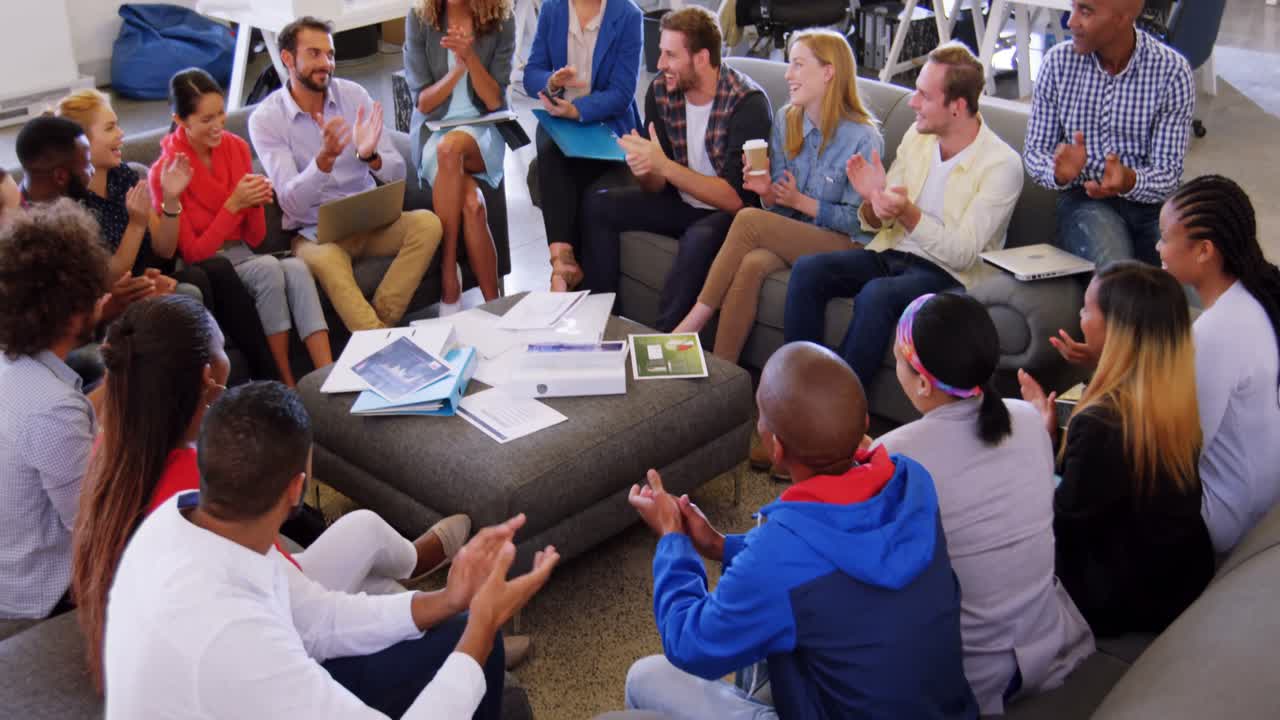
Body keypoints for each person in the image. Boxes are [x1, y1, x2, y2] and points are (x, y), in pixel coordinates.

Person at [70, 295, 474, 690]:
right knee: (364, 531)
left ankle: (446, 616)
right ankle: (455, 621)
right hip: (248, 636)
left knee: (372, 579)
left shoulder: (112, 447)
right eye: (223, 347)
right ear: (207, 378)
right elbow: (297, 599)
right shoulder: (193, 485)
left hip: (175, 635)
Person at [103, 380, 559, 718]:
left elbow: (320, 619)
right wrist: (482, 626)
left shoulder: (184, 519)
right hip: (237, 681)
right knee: (475, 643)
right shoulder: (234, 640)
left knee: (457, 630)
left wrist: (451, 601)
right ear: (296, 490)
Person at [625, 341, 978, 719]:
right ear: (863, 425)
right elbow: (825, 558)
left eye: (759, 413)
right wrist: (719, 545)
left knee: (644, 677)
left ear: (775, 448)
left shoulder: (779, 555)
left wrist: (672, 539)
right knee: (775, 627)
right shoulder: (913, 483)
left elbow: (690, 643)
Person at [873, 293, 1093, 714]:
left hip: (972, 677)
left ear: (922, 381)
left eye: (898, 358)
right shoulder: (1029, 420)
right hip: (1052, 645)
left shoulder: (895, 457)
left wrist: (861, 468)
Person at [783, 42, 1022, 388]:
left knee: (877, 295)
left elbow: (963, 253)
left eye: (924, 96)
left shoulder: (1002, 165)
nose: (913, 103)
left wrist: (907, 213)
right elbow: (881, 217)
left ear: (956, 107)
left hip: (950, 275)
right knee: (808, 270)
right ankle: (796, 388)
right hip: (892, 252)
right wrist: (873, 202)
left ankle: (840, 407)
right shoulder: (918, 136)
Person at [1019, 261, 1214, 636]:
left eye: (1087, 309)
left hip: (1124, 598)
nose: (1080, 314)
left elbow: (1063, 523)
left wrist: (1040, 442)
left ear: (1117, 331)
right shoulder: (1171, 392)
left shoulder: (1101, 423)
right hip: (1180, 574)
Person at [672, 29, 883, 363]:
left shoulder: (862, 138)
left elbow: (862, 224)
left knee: (748, 220)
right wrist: (768, 192)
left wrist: (802, 202)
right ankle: (724, 375)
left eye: (798, 65)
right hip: (796, 233)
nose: (788, 74)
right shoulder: (787, 120)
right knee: (752, 264)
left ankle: (691, 323)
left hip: (845, 245)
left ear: (828, 72)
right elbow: (781, 208)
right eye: (789, 65)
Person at [56, 89, 281, 382]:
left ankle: (262, 380)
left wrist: (172, 200)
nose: (122, 134)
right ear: (81, 142)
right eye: (110, 128)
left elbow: (164, 248)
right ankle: (215, 384)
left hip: (151, 279)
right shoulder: (73, 203)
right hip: (115, 301)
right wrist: (136, 225)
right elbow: (110, 281)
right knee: (195, 285)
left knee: (216, 269)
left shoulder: (124, 176)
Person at [580, 6, 771, 328]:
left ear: (700, 58)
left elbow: (735, 200)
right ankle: (603, 322)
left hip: (728, 216)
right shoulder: (661, 92)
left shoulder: (747, 102)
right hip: (680, 201)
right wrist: (646, 171)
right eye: (660, 53)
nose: (659, 64)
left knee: (698, 241)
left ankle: (664, 344)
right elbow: (659, 185)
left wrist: (664, 166)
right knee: (598, 204)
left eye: (670, 55)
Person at [249, 16, 443, 332]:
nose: (326, 63)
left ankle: (381, 320)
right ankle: (379, 337)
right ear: (288, 59)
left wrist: (371, 156)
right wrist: (323, 161)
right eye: (314, 53)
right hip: (316, 233)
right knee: (325, 261)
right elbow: (291, 204)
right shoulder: (266, 120)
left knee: (427, 223)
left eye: (330, 54)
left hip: (370, 221)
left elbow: (397, 176)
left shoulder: (354, 95)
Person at [155, 68, 333, 386]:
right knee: (268, 269)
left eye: (221, 114)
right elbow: (193, 253)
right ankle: (283, 383)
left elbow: (255, 238)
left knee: (296, 269)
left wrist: (255, 205)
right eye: (206, 120)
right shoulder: (166, 172)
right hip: (211, 267)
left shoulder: (235, 147)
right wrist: (233, 205)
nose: (218, 125)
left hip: (246, 254)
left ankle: (327, 375)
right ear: (181, 121)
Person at [1156, 175, 1280, 555]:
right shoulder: (1257, 297)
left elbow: (1178, 454)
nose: (1157, 246)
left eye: (1165, 237)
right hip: (1260, 499)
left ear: (1204, 250)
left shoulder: (1214, 333)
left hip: (1225, 519)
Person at [1024, 0, 1194, 267]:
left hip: (1153, 206)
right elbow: (1035, 153)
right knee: (1116, 275)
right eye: (1073, 7)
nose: (1071, 21)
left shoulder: (1172, 72)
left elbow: (1168, 173)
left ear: (1123, 18)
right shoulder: (1057, 63)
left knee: (1189, 279)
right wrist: (1057, 172)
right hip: (1084, 200)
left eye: (1086, 11)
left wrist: (1128, 180)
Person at [0, 200, 108, 619]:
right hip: (45, 591)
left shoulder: (17, 366)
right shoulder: (52, 408)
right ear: (75, 309)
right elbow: (91, 529)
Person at [522, 0, 643, 291]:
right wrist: (551, 81)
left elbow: (622, 93)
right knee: (550, 148)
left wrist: (577, 110)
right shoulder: (553, 9)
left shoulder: (628, 15)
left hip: (608, 127)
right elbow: (531, 74)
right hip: (563, 126)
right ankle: (562, 265)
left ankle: (561, 275)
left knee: (555, 170)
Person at [404, 0, 514, 312]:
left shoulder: (501, 20)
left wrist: (470, 58)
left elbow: (494, 100)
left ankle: (448, 271)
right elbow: (423, 103)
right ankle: (496, 307)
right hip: (433, 133)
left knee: (450, 148)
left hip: (483, 131)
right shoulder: (420, 18)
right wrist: (457, 72)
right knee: (471, 204)